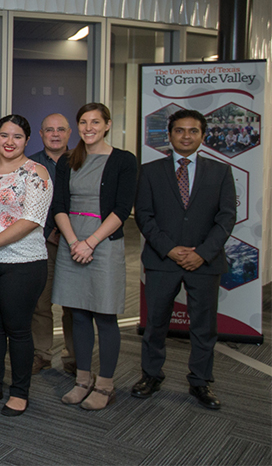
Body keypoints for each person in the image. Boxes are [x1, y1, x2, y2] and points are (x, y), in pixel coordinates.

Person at [132, 110, 235, 410]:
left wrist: (202, 253)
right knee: (156, 324)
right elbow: (145, 216)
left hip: (205, 262)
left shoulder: (220, 172)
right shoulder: (150, 171)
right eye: (179, 130)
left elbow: (226, 217)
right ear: (170, 134)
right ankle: (151, 375)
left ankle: (201, 381)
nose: (186, 136)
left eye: (193, 131)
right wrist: (170, 249)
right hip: (162, 260)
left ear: (203, 136)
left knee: (204, 326)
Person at [52, 103, 137, 411]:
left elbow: (122, 208)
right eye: (84, 122)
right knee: (78, 314)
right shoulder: (68, 161)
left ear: (107, 125)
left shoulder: (123, 161)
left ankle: (106, 384)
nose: (89, 127)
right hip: (72, 241)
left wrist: (91, 243)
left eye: (95, 122)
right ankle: (83, 380)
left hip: (104, 242)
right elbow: (59, 205)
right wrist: (75, 241)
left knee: (105, 315)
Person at [0, 114, 52, 417]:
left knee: (17, 329)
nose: (9, 141)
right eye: (4, 135)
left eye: (16, 136)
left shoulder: (36, 173)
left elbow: (32, 219)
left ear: (27, 141)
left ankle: (20, 391)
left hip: (23, 262)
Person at [27, 113, 76, 375]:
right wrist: (48, 231)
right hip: (40, 242)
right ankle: (42, 354)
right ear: (41, 134)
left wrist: (69, 233)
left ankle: (74, 355)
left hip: (76, 242)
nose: (55, 134)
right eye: (49, 130)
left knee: (73, 303)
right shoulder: (31, 164)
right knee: (41, 303)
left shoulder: (82, 161)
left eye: (60, 130)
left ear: (69, 133)